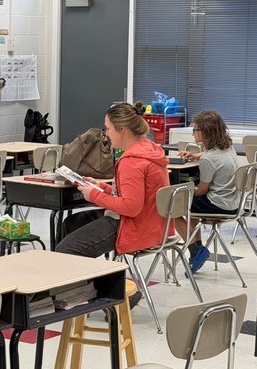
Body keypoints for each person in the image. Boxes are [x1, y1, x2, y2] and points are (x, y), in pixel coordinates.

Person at [56, 102, 172, 301]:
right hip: (151, 223)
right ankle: (72, 289)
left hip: (132, 225)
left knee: (66, 249)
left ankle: (117, 293)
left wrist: (94, 195)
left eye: (108, 128)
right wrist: (102, 187)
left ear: (122, 130)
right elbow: (133, 195)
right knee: (71, 225)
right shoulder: (149, 149)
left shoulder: (131, 162)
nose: (106, 134)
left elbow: (130, 207)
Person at [176, 109, 239, 273]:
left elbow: (202, 190)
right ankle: (196, 251)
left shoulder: (208, 160)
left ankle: (195, 249)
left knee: (172, 208)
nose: (193, 134)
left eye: (195, 130)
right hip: (231, 201)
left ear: (205, 132)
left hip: (216, 203)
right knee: (193, 209)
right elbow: (211, 155)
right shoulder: (228, 147)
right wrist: (196, 156)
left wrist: (185, 193)